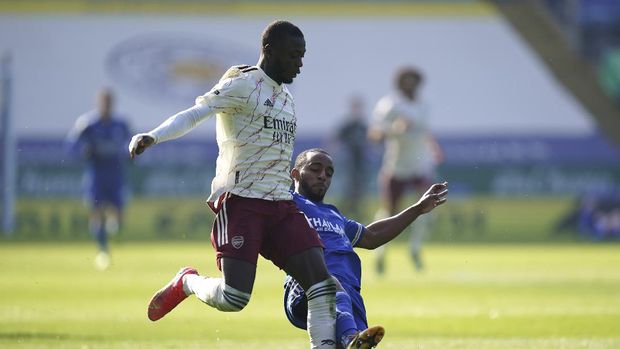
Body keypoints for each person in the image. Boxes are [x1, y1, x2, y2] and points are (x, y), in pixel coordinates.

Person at [128, 21, 338, 349]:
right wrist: (153, 136)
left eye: (302, 56)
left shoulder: (287, 99)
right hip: (242, 202)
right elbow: (195, 113)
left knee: (322, 285)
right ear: (269, 51)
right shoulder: (243, 85)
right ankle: (187, 283)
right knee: (235, 296)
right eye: (293, 55)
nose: (300, 64)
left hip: (282, 205)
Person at [284, 148, 448, 349]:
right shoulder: (287, 203)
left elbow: (372, 237)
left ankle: (349, 338)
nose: (322, 176)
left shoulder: (334, 214)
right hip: (309, 285)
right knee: (344, 322)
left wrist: (418, 209)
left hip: (350, 293)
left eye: (329, 173)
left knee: (356, 343)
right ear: (295, 174)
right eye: (315, 169)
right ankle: (348, 337)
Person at [368, 67, 443, 274]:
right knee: (389, 212)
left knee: (428, 205)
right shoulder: (390, 104)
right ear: (399, 83)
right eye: (405, 81)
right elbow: (374, 133)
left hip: (421, 164)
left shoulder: (424, 105)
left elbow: (424, 132)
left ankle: (415, 249)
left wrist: (433, 147)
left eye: (413, 81)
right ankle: (381, 253)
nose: (410, 85)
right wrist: (394, 128)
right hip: (396, 166)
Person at [67, 87, 131, 270]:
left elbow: (132, 143)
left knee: (118, 213)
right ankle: (103, 250)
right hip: (96, 175)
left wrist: (129, 154)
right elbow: (71, 144)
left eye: (109, 103)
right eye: (104, 102)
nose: (107, 106)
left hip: (116, 174)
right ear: (98, 103)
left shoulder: (121, 124)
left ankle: (115, 230)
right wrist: (83, 151)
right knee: (96, 212)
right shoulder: (87, 124)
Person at [335, 95, 368, 218]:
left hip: (361, 162)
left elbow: (370, 141)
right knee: (348, 186)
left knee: (359, 187)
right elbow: (335, 140)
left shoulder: (363, 126)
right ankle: (344, 208)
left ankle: (356, 209)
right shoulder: (347, 126)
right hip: (349, 161)